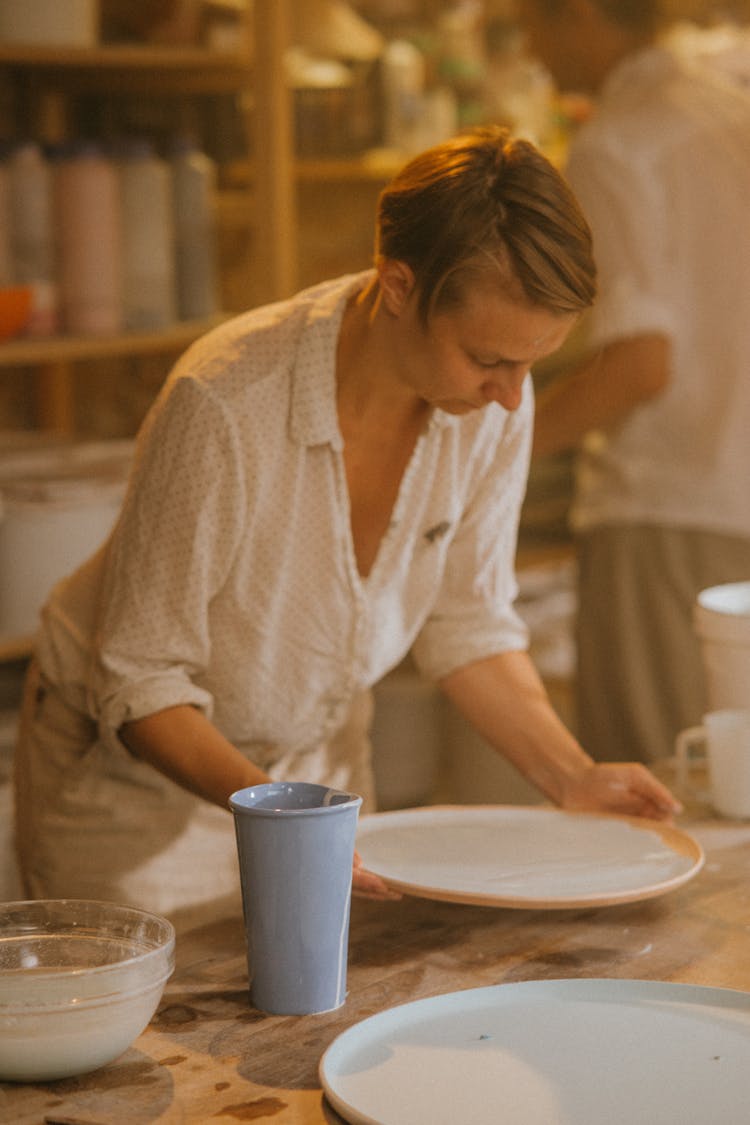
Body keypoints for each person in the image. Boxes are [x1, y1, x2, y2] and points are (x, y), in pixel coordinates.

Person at [13, 126, 679, 924]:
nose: (511, 395)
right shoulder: (225, 404)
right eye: (488, 359)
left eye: (531, 363)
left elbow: (467, 622)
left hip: (315, 773)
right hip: (137, 790)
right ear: (398, 286)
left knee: (311, 1018)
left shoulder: (495, 404)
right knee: (162, 1029)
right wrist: (282, 811)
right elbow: (141, 678)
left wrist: (571, 774)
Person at [520, 0, 750, 764]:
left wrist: (502, 449)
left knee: (663, 792)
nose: (530, 47)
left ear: (580, 14)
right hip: (729, 494)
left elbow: (640, 363)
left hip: (668, 507)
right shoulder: (724, 107)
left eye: (534, 21)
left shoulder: (618, 143)